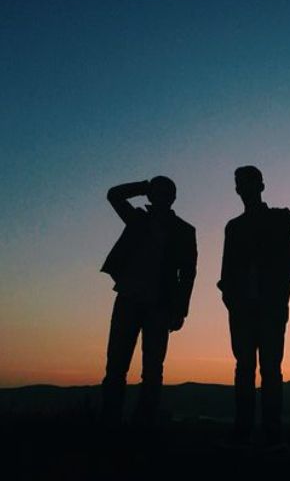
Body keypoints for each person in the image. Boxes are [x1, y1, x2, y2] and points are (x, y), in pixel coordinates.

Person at [99, 176, 197, 427]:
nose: (162, 196)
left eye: (166, 192)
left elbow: (187, 274)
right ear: (152, 195)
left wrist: (180, 310)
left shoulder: (185, 231)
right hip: (129, 298)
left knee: (152, 369)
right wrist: (143, 186)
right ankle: (109, 420)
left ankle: (144, 422)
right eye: (157, 191)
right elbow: (114, 194)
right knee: (116, 365)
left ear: (173, 197)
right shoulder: (138, 219)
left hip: (160, 304)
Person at [218, 166, 290, 449]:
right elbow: (226, 272)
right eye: (239, 183)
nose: (243, 188)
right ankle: (244, 429)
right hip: (242, 309)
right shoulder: (234, 227)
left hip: (270, 309)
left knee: (270, 369)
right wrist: (230, 300)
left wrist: (277, 301)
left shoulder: (279, 220)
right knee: (244, 368)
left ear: (260, 186)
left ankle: (271, 431)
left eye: (248, 182)